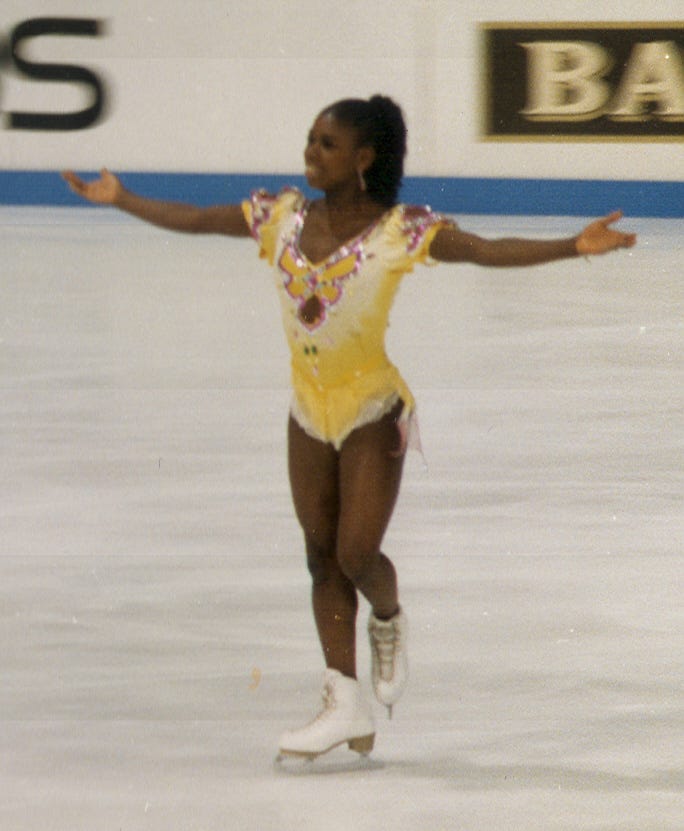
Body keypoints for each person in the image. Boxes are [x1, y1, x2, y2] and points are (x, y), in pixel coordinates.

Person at [63, 94, 636, 761]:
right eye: (311, 139)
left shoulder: (399, 232)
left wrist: (572, 246)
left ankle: (387, 620)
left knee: (356, 554)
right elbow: (196, 218)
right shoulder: (280, 217)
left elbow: (483, 249)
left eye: (327, 144)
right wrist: (122, 198)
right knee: (320, 555)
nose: (311, 152)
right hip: (308, 411)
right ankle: (344, 700)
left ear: (363, 157)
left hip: (372, 409)